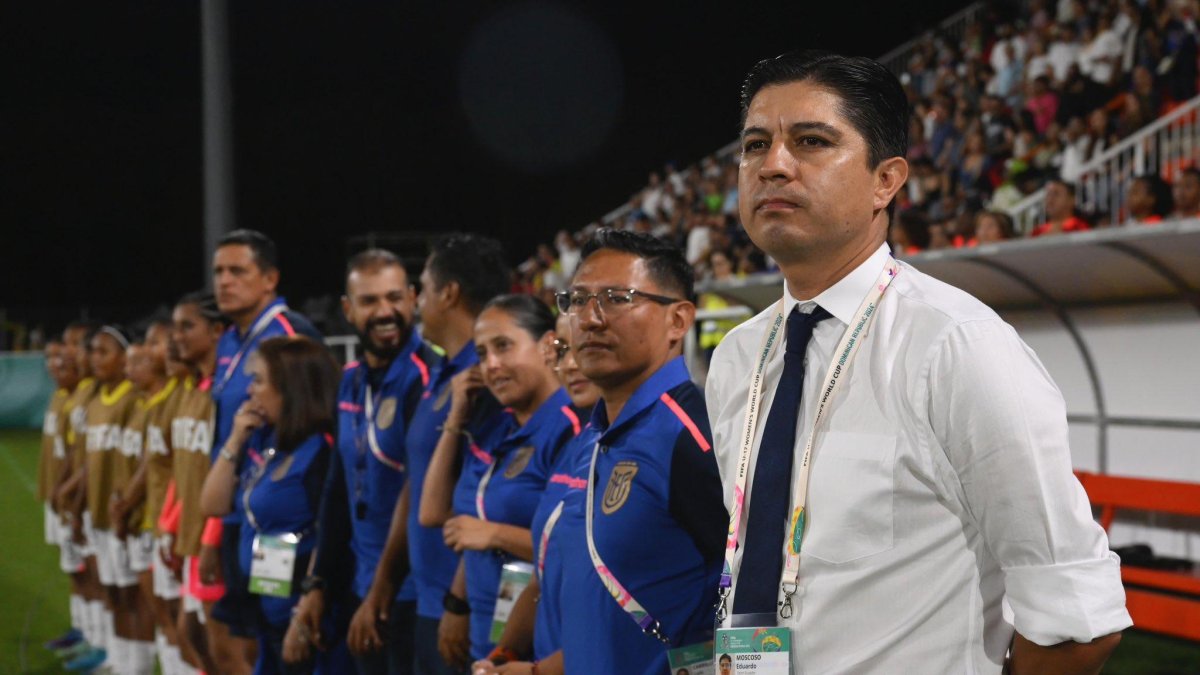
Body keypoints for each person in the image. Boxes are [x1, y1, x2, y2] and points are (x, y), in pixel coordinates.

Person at [707, 50, 1129, 673]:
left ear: (887, 180)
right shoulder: (739, 355)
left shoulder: (954, 346)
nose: (772, 165)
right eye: (754, 144)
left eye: (812, 141)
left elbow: (1075, 621)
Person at [555, 229, 726, 674]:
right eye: (576, 300)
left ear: (678, 320)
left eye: (616, 297)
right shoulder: (598, 434)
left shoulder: (694, 437)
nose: (589, 318)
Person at [368, 233, 511, 674]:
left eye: (424, 289)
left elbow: (486, 498)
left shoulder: (486, 380)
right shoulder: (444, 372)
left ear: (448, 293)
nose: (418, 302)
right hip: (428, 597)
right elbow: (419, 484)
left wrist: (458, 600)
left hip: (464, 605)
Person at [291, 249, 437, 673]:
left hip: (410, 596)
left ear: (413, 298)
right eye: (369, 301)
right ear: (347, 309)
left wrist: (381, 595)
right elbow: (337, 490)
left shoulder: (428, 379)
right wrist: (317, 584)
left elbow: (419, 496)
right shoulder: (351, 381)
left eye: (394, 297)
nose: (385, 311)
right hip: (361, 585)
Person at [419, 294, 578, 663]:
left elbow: (571, 548)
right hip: (489, 640)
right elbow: (432, 513)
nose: (491, 364)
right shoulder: (498, 429)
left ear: (547, 346)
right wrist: (457, 418)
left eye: (503, 346)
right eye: (481, 353)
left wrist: (494, 535)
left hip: (541, 649)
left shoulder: (569, 429)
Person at [207, 229, 321, 674]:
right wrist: (216, 532)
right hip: (241, 517)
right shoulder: (231, 340)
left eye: (238, 271)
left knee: (283, 643)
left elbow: (318, 432)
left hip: (283, 522)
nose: (225, 281)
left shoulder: (290, 334)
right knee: (255, 641)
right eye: (219, 272)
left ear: (269, 278)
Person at [200, 336, 342, 674]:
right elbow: (212, 503)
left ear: (291, 387)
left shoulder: (320, 451)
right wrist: (235, 439)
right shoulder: (269, 442)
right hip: (269, 604)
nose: (251, 391)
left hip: (305, 617)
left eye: (260, 380)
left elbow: (330, 535)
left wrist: (305, 610)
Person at [470, 313, 600, 675]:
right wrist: (504, 655)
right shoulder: (578, 443)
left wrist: (535, 672)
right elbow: (541, 575)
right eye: (562, 350)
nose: (571, 364)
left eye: (584, 347)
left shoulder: (647, 444)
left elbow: (623, 620)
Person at [75, 326, 141, 673]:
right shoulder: (99, 399)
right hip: (99, 511)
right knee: (112, 590)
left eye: (104, 352)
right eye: (94, 352)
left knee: (133, 597)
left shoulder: (134, 399)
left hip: (125, 515)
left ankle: (137, 665)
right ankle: (118, 659)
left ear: (124, 355)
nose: (95, 359)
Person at [168, 292, 227, 674]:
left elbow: (231, 474)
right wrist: (170, 527)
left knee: (226, 650)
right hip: (191, 536)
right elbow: (183, 470)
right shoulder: (194, 389)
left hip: (214, 541)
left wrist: (211, 539)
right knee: (190, 632)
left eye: (187, 326)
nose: (177, 337)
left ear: (217, 331)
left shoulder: (226, 392)